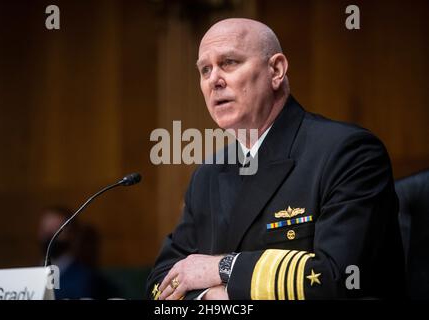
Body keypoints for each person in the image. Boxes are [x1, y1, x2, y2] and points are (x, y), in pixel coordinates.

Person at [146, 18, 405, 300]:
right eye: (205, 69)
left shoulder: (347, 152)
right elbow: (160, 285)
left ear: (276, 70)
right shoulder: (207, 175)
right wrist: (212, 297)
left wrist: (221, 270)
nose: (214, 80)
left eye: (229, 62)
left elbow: (339, 277)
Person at [38, 206, 105, 299]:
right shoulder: (29, 275)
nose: (49, 235)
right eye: (45, 229)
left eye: (55, 230)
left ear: (72, 234)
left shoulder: (85, 279)